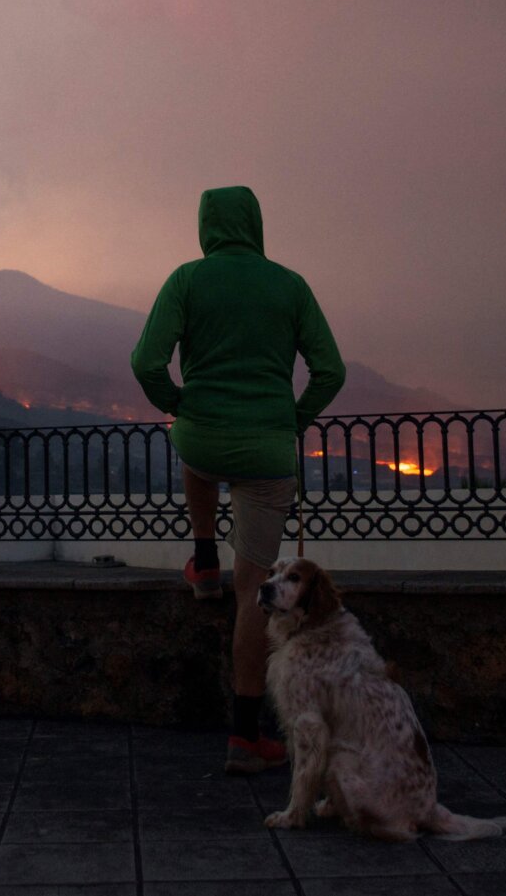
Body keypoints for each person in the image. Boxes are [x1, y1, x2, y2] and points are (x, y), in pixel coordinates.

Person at [131, 185, 345, 773]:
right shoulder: (290, 286)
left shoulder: (186, 280)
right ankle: (246, 735)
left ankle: (203, 558)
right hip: (269, 452)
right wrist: (293, 418)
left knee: (192, 450)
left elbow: (145, 361)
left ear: (206, 226)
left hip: (203, 436)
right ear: (255, 225)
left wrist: (179, 402)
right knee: (255, 592)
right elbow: (331, 370)